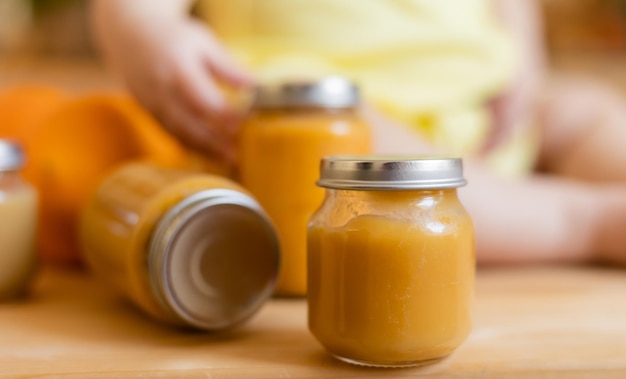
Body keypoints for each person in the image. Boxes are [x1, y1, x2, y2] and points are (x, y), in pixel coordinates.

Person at [91, 0, 626, 266]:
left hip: (481, 103)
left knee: (586, 111)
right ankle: (587, 222)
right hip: (311, 108)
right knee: (365, 161)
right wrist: (150, 30)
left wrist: (524, 59)